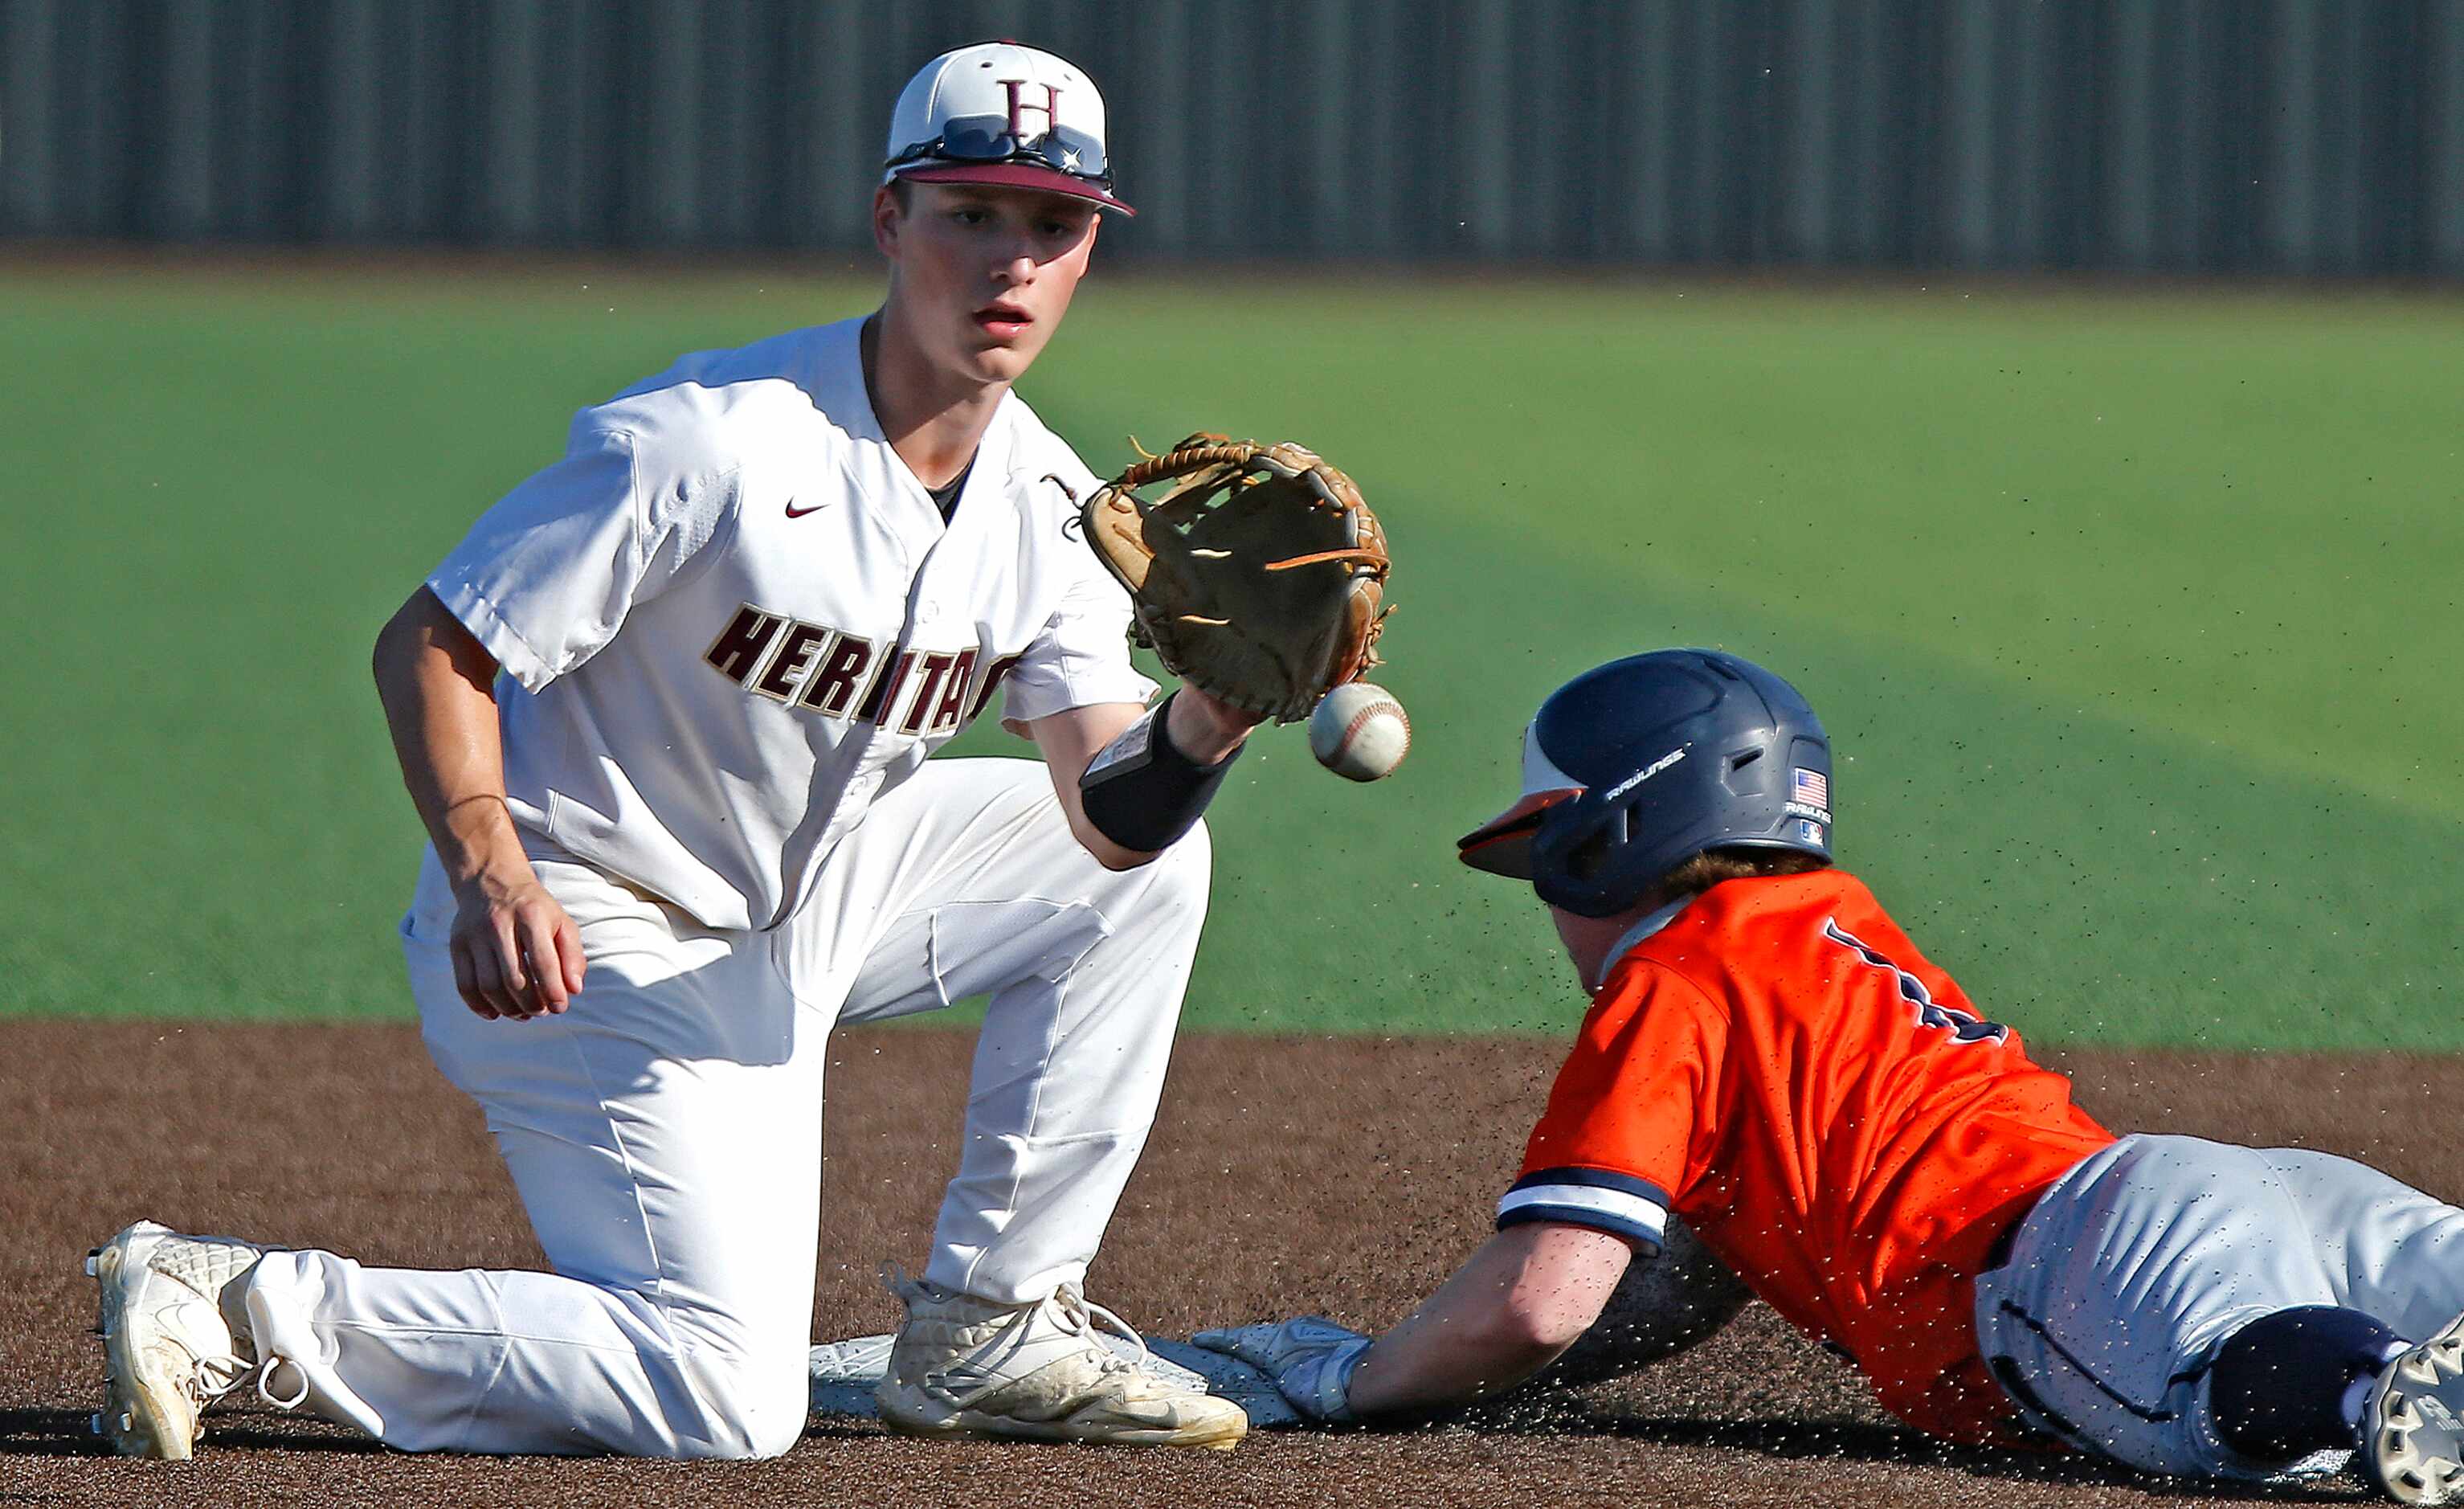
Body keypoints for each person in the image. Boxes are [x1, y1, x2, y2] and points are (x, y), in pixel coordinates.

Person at [88, 40, 1259, 1460]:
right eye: (972, 214)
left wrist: (1207, 720)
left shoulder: (1052, 505)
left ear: (1088, 253)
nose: (1012, 260)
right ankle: (245, 1307)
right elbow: (437, 641)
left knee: (1149, 874)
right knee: (726, 1397)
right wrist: (486, 862)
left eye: (1054, 225)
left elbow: (1111, 819)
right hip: (587, 918)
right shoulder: (714, 440)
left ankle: (990, 1325)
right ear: (892, 222)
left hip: (808, 903)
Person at [1197, 648, 2464, 1504]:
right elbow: (1680, 1282)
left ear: (1609, 840)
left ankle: (2372, 1385)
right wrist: (1454, 1371)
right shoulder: (1830, 924)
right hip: (2220, 1188)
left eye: (1548, 864)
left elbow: (1544, 1297)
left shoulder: (1672, 980)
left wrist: (1357, 1378)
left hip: (2063, 1266)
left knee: (2261, 1392)